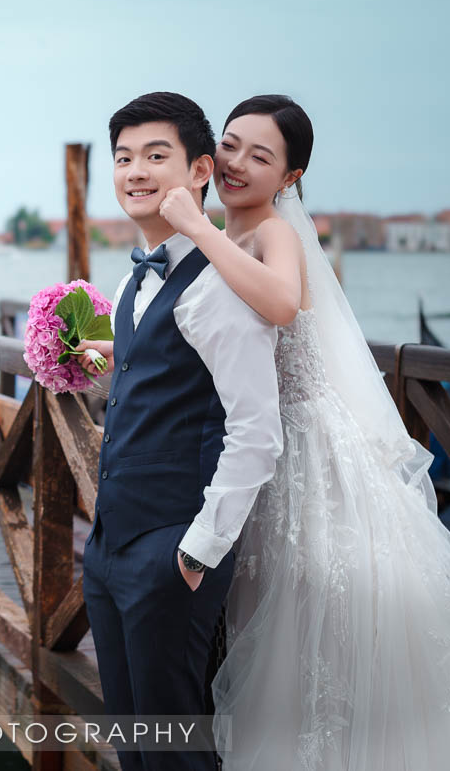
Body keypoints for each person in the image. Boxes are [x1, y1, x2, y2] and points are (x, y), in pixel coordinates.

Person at [144, 94, 450, 769]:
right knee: (273, 612)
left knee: (319, 610)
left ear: (289, 178)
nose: (236, 163)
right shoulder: (220, 241)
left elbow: (280, 303)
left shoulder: (273, 235)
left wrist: (197, 226)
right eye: (230, 144)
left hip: (308, 452)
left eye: (260, 155)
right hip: (255, 452)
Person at [81, 91, 283, 771]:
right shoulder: (131, 284)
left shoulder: (219, 284)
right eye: (123, 158)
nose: (135, 171)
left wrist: (199, 550)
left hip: (173, 551)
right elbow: (153, 384)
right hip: (109, 546)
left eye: (155, 155)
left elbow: (257, 429)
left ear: (199, 171)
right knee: (133, 748)